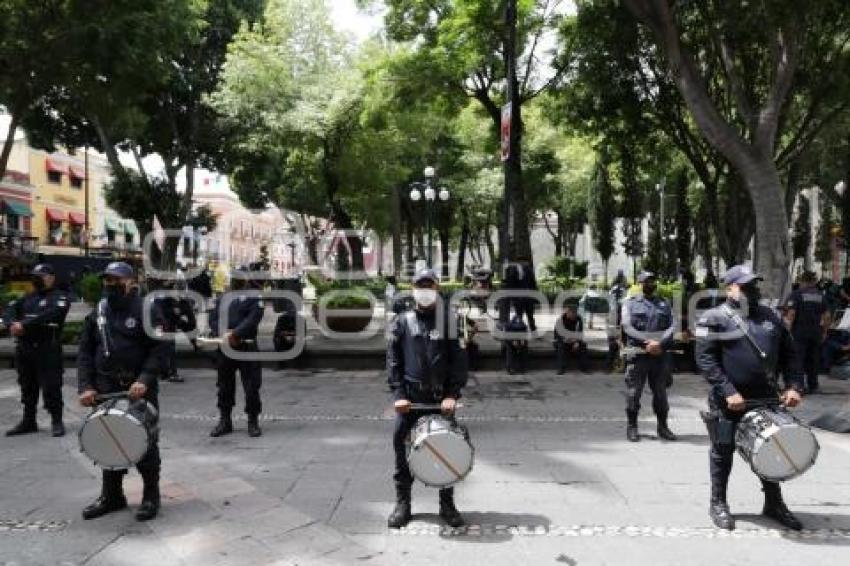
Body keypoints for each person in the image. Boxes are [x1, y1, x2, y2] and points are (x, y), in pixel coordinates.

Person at [695, 264, 805, 531]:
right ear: (730, 288)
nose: (752, 290)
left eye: (754, 285)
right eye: (745, 286)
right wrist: (728, 390)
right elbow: (705, 360)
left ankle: (774, 503)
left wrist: (793, 386)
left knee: (772, 449)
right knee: (723, 451)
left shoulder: (771, 316)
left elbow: (791, 355)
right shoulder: (712, 318)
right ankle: (718, 502)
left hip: (766, 398)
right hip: (729, 401)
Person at [77, 262, 169, 521]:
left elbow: (160, 348)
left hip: (137, 388)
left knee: (145, 440)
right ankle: (112, 495)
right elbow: (85, 350)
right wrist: (86, 386)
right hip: (105, 388)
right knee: (108, 439)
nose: (110, 284)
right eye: (107, 279)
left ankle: (151, 495)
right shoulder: (100, 310)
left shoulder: (147, 308)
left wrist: (145, 379)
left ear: (131, 281)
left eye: (116, 279)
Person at [386, 268, 468, 529]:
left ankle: (447, 504)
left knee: (448, 448)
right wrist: (398, 395)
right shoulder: (401, 322)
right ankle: (403, 503)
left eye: (429, 285)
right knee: (401, 444)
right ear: (413, 289)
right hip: (410, 399)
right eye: (420, 285)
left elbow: (459, 362)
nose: (424, 290)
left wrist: (452, 395)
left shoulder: (450, 321)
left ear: (437, 289)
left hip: (440, 399)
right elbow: (393, 361)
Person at [4, 264, 70, 437]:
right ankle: (29, 420)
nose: (37, 279)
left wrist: (24, 324)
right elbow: (10, 309)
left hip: (47, 348)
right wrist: (12, 324)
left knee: (51, 387)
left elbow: (52, 314)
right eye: (35, 275)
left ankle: (57, 420)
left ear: (51, 277)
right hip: (25, 349)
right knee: (27, 386)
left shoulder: (60, 297)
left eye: (41, 275)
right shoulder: (27, 297)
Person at [208, 269, 265, 438]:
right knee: (224, 385)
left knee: (251, 386)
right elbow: (213, 318)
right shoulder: (223, 298)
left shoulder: (255, 297)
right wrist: (224, 333)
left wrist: (236, 334)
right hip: (226, 348)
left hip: (246, 346)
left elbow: (253, 318)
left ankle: (252, 421)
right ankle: (225, 421)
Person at [621, 271, 676, 442]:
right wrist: (648, 343)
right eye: (646, 281)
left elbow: (673, 326)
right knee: (633, 394)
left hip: (660, 356)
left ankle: (663, 427)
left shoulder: (664, 304)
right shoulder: (629, 304)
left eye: (652, 281)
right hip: (638, 356)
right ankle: (632, 427)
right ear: (639, 284)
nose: (650, 284)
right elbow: (627, 327)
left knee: (661, 395)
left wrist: (659, 343)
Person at [784, 271, 828, 394]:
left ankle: (799, 386)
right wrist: (824, 332)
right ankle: (813, 385)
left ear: (802, 281)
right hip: (815, 333)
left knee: (798, 359)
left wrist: (787, 331)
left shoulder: (796, 294)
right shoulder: (821, 296)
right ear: (814, 281)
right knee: (813, 359)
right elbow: (827, 316)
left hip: (799, 332)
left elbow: (791, 314)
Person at [152, 277, 197, 383]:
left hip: (162, 326)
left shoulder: (158, 295)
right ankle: (171, 373)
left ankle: (165, 372)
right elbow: (171, 312)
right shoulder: (167, 297)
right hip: (166, 326)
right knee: (168, 350)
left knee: (163, 349)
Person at [554, 305, 588, 373]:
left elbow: (580, 333)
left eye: (575, 314)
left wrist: (577, 341)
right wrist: (566, 339)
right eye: (572, 314)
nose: (574, 316)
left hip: (574, 340)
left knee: (583, 345)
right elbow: (557, 335)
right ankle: (561, 368)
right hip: (562, 340)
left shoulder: (579, 319)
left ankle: (583, 368)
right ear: (568, 313)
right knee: (561, 346)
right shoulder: (560, 320)